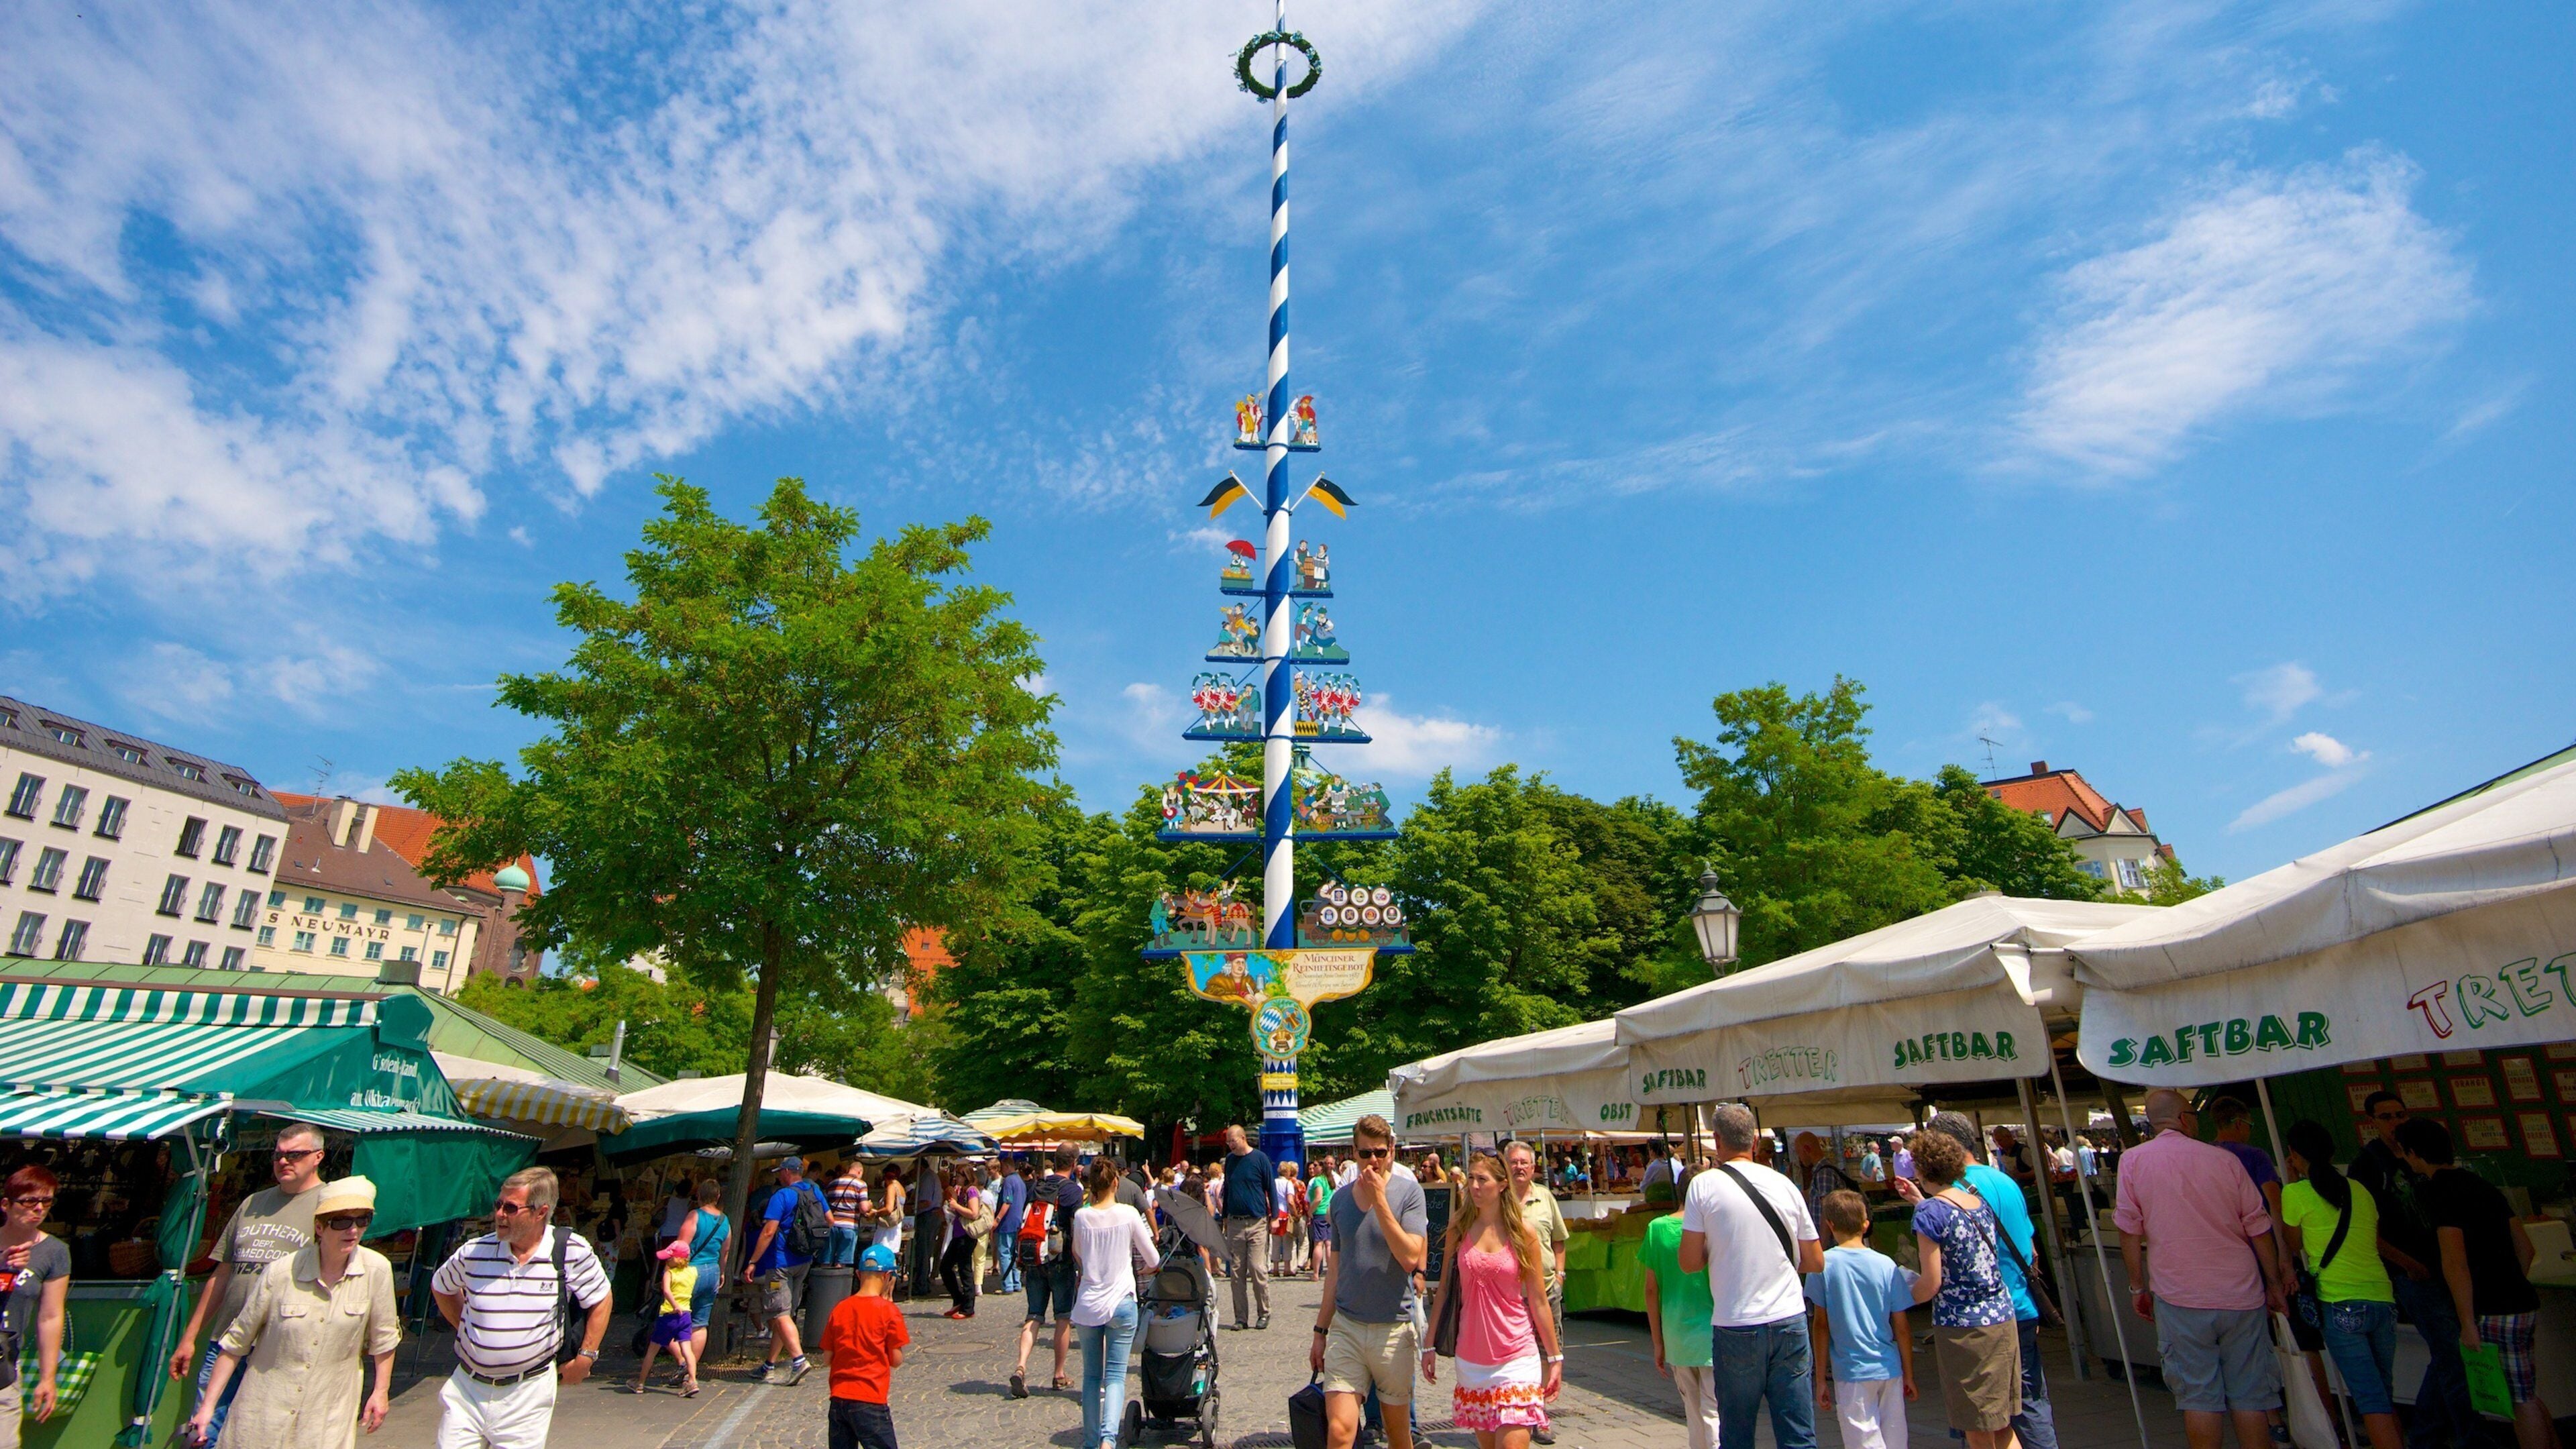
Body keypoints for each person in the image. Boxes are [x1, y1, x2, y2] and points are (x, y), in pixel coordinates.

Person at [2114, 1088, 2287, 1449]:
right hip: (2241, 1292)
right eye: (2194, 1114)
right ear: (2183, 1118)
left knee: (2199, 1398)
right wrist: (2274, 1283)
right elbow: (2259, 1226)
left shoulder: (2133, 1161)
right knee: (2252, 1398)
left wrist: (2137, 1287)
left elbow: (2129, 1230)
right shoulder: (2225, 1161)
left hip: (2180, 1296)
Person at [184, 1176, 398, 1449]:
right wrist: (207, 1409)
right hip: (263, 1416)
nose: (353, 1230)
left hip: (326, 1419)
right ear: (320, 1227)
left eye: (362, 1220)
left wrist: (381, 1392)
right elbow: (236, 1343)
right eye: (342, 1221)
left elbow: (384, 1339)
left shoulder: (377, 1271)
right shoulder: (282, 1272)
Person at [2394, 1118, 2561, 1449]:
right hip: (2521, 1301)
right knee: (2525, 1390)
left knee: (2519, 1402)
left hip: (2493, 1310)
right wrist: (2510, 1281)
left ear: (2413, 1154)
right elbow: (2525, 1248)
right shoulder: (2481, 1184)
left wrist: (2468, 1321)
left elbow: (2455, 1262)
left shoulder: (2439, 1191)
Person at [170, 1120, 328, 1448]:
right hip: (225, 1341)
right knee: (203, 1432)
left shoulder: (329, 1207)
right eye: (278, 1155)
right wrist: (189, 1338)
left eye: (295, 1154)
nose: (284, 1162)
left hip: (277, 1347)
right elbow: (222, 1275)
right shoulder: (252, 1204)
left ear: (318, 1156)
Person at [429, 1167, 612, 1449]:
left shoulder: (570, 1250)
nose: (500, 1214)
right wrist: (467, 1329)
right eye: (499, 1205)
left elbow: (600, 1298)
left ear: (541, 1212)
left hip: (527, 1393)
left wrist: (586, 1357)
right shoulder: (474, 1251)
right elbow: (442, 1286)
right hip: (467, 1388)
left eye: (511, 1208)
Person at [1679, 1102, 1825, 1449]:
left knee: (1738, 1432)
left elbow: (1688, 1262)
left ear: (1716, 1140)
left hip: (1736, 1322)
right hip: (1789, 1317)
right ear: (1755, 1139)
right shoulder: (1785, 1184)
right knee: (1798, 1432)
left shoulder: (1703, 1187)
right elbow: (1816, 1260)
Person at [1917, 1112, 2058, 1449]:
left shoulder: (1956, 1190)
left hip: (1974, 1321)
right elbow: (2031, 1247)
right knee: (2028, 1404)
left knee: (1981, 1419)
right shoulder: (2003, 1180)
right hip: (2015, 1306)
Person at [2348, 1090, 2475, 1449]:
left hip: (2442, 1264)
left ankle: (2426, 1432)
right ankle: (2463, 1435)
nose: (2395, 1122)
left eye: (2400, 1115)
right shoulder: (2368, 1164)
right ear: (2372, 1122)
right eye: (2386, 1117)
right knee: (2450, 1352)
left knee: (2447, 1352)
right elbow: (2367, 1229)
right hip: (2409, 1271)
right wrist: (2405, 1263)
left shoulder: (2417, 1156)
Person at [1420, 1154, 1562, 1449]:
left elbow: (1538, 1300)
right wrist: (1429, 1343)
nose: (1473, 1185)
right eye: (1470, 1178)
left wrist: (1555, 1357)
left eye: (1482, 1179)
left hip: (1517, 1356)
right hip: (1472, 1359)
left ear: (1501, 1185)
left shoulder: (1523, 1233)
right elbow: (1444, 1291)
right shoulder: (1459, 1229)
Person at [2277, 1120, 2400, 1449]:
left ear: (2293, 1154)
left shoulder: (2296, 1193)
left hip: (2340, 1302)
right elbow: (2373, 1239)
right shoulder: (2360, 1189)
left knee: (2371, 1400)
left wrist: (2293, 1183)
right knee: (2383, 1394)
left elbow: (2293, 1244)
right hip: (2383, 1299)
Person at [1312, 1114, 1430, 1449]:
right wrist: (1321, 1331)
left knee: (1397, 1434)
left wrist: (1380, 1200)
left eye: (1380, 1152)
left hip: (1392, 1329)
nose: (1373, 1161)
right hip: (1347, 1328)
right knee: (1339, 1430)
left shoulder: (1409, 1194)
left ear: (1392, 1150)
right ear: (1355, 1152)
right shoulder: (1340, 1200)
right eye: (1365, 1153)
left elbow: (1410, 1257)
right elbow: (1334, 1271)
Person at [1899, 1131, 2019, 1449]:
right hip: (2001, 1318)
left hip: (1965, 1329)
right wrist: (1920, 1201)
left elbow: (1931, 1282)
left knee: (1977, 1428)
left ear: (1922, 1169)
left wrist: (1899, 1299)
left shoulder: (1930, 1213)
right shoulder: (1976, 1202)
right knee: (2001, 1424)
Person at [1803, 1189, 1917, 1449]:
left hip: (1851, 1369)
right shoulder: (1886, 1264)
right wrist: (1909, 1373)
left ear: (1830, 1225)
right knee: (1896, 1439)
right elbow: (1902, 1326)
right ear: (1866, 1225)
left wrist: (1820, 1378)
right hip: (1889, 1366)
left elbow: (1821, 1325)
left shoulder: (1823, 1266)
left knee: (1863, 1441)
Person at [1073, 1157, 1159, 1449]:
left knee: (1090, 1377)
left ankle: (1090, 1440)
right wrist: (1145, 1270)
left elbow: (1078, 1254)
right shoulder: (1128, 1214)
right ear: (1116, 1182)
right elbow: (1153, 1258)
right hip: (1121, 1299)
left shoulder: (1082, 1217)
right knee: (1115, 1377)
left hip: (1088, 1301)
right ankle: (1108, 1440)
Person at [1635, 1181, 1719, 1449]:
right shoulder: (1713, 1229)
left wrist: (1658, 1342)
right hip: (1715, 1333)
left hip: (1677, 1335)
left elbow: (1651, 1290)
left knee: (1693, 1413)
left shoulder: (1656, 1228)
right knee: (1715, 1411)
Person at [1501, 1141, 1569, 1442]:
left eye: (1524, 1163)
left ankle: (1538, 1415)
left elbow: (1559, 1240)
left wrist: (1561, 1276)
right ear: (1505, 1166)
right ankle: (1516, 1410)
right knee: (1513, 1353)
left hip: (1546, 1287)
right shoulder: (1499, 1200)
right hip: (1510, 1292)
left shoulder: (1545, 1197)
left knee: (1546, 1351)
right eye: (1513, 1162)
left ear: (1533, 1167)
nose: (1519, 1167)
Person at [0, 1164, 70, 1445]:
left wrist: (47, 1378)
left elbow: (51, 1316)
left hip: (4, 1372)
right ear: (6, 1204)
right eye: (29, 1201)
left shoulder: (54, 1252)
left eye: (46, 1201)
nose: (39, 1208)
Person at [747, 1157, 829, 1384]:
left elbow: (768, 1232)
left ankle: (798, 1360)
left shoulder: (781, 1196)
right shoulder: (814, 1191)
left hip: (780, 1264)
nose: (778, 1176)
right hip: (803, 1261)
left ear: (786, 1172)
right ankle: (769, 1365)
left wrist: (753, 1261)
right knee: (786, 1314)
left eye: (780, 1172)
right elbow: (829, 1220)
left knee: (779, 1312)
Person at [1010, 1146, 1085, 1399]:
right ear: (1074, 1163)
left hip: (1034, 1259)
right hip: (1060, 1260)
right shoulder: (1073, 1192)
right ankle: (1059, 1374)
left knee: (1033, 1316)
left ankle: (1021, 1366)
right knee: (1063, 1317)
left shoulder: (1037, 1186)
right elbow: (1077, 1230)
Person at [820, 1244, 910, 1449]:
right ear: (888, 1276)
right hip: (870, 1398)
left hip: (839, 1398)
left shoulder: (840, 1308)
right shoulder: (888, 1311)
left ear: (859, 1274)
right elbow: (896, 1361)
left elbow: (827, 1358)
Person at [1218, 1124, 1276, 1330]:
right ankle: (1241, 1317)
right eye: (1228, 1142)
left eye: (1232, 1141)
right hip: (1235, 1222)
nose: (1230, 1145)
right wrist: (1225, 1217)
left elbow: (1271, 1188)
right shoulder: (1231, 1162)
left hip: (1257, 1221)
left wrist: (1275, 1216)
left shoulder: (1260, 1159)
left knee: (1257, 1268)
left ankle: (1264, 1312)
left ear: (1243, 1138)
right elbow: (1228, 1190)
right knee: (1236, 1272)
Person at [633, 1239, 700, 1397]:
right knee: (687, 1350)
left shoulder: (669, 1273)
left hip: (669, 1315)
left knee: (652, 1350)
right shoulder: (693, 1272)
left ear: (678, 1259)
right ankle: (693, 1380)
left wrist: (674, 1304)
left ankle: (640, 1383)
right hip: (686, 1315)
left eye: (670, 1257)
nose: (667, 1260)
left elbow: (667, 1291)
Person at [682, 1179, 730, 1369]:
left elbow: (681, 1247)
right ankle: (690, 1371)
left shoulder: (694, 1216)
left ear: (699, 1195)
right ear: (717, 1197)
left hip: (692, 1270)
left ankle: (682, 1363)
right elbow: (725, 1251)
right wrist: (722, 1273)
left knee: (677, 1317)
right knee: (700, 1324)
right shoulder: (724, 1220)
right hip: (713, 1271)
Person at [940, 1165, 988, 1319]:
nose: (956, 1178)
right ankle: (958, 1299)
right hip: (958, 1235)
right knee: (945, 1266)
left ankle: (968, 1308)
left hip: (967, 1236)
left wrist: (956, 1206)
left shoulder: (972, 1191)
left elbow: (973, 1213)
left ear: (966, 1176)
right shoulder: (961, 1191)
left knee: (965, 1270)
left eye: (959, 1176)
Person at [1792, 1133, 1859, 1222]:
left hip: (1829, 1235)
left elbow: (1827, 1211)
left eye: (1799, 1153)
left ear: (1807, 1150)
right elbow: (1810, 1195)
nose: (1799, 1158)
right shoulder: (1820, 1171)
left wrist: (1823, 1236)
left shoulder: (1823, 1174)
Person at [995, 1157, 1029, 1295]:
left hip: (1007, 1222)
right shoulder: (1021, 1181)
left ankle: (1007, 1284)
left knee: (1004, 1253)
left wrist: (997, 1219)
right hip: (1018, 1221)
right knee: (1014, 1253)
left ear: (1007, 1166)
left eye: (1002, 1168)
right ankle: (1016, 1282)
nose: (1001, 1171)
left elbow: (1007, 1202)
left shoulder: (1009, 1181)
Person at [826, 1161, 869, 1269]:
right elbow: (864, 1208)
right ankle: (838, 1284)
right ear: (860, 1171)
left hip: (831, 1225)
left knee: (826, 1259)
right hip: (849, 1226)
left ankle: (824, 1283)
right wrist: (870, 1205)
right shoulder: (861, 1184)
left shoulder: (832, 1184)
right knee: (841, 1262)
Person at [1308, 1158, 1337, 1282]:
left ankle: (1315, 1273)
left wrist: (1310, 1211)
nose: (1314, 1168)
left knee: (1318, 1244)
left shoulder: (1318, 1180)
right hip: (1330, 1213)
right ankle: (1331, 1272)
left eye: (1316, 1165)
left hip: (1319, 1213)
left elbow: (1318, 1198)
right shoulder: (1331, 1180)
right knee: (1329, 1244)